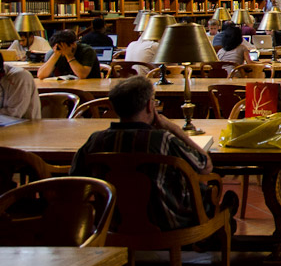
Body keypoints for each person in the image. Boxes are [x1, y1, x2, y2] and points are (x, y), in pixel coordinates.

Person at [70, 76, 237, 230]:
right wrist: (174, 129)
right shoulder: (164, 139)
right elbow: (205, 166)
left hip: (111, 225)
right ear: (150, 106)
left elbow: (75, 179)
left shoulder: (95, 141)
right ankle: (219, 223)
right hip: (168, 225)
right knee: (218, 200)